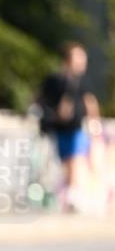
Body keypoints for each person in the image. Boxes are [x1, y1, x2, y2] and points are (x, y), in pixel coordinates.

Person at [37, 42, 102, 212]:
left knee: (76, 160)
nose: (82, 62)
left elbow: (90, 104)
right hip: (56, 129)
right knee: (65, 163)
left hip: (76, 129)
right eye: (78, 58)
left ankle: (74, 197)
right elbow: (40, 99)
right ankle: (67, 197)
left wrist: (95, 128)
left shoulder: (83, 82)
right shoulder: (54, 80)